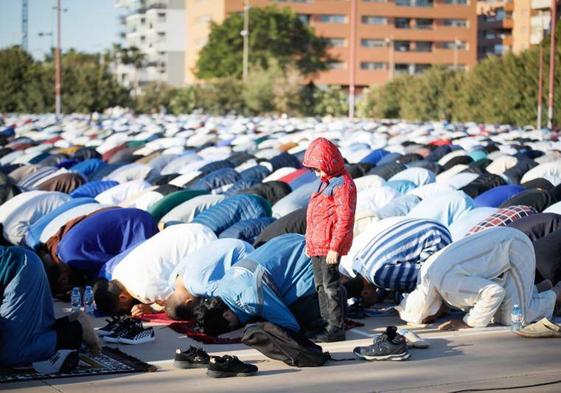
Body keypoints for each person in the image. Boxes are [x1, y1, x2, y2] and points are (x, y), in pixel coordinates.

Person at [396, 227, 561, 330]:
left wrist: (468, 323)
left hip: (513, 248)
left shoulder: (447, 286)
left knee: (516, 318)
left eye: (430, 318)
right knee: (501, 315)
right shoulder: (427, 274)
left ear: (429, 308)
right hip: (503, 242)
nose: (435, 318)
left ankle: (557, 293)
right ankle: (534, 291)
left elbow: (493, 292)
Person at [195, 234, 321, 336]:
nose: (235, 327)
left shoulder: (250, 299)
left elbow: (290, 326)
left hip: (312, 257)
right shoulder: (222, 286)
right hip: (293, 240)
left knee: (304, 319)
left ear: (226, 315)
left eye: (231, 327)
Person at [0, 246, 99, 367]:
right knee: (23, 334)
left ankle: (77, 330)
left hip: (20, 269)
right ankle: (68, 323)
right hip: (19, 265)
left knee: (13, 353)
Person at [94, 223, 217, 316]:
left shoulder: (144, 291)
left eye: (123, 309)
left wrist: (152, 309)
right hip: (187, 228)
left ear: (122, 297)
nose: (128, 310)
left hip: (205, 243)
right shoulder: (118, 271)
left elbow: (178, 300)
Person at [303, 137, 357, 342]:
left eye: (318, 169)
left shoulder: (343, 184)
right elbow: (315, 216)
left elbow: (345, 218)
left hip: (328, 245)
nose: (316, 174)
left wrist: (335, 247)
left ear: (328, 163)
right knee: (320, 285)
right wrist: (310, 243)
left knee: (330, 285)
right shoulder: (325, 183)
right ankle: (325, 321)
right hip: (317, 244)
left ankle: (335, 326)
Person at [339, 217, 452, 304]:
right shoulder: (358, 262)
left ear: (365, 293)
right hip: (428, 226)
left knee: (427, 291)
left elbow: (423, 277)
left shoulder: (378, 275)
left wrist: (397, 296)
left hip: (437, 238)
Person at [165, 238, 254, 320]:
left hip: (243, 253)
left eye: (196, 307)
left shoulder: (200, 286)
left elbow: (229, 294)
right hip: (225, 242)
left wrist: (238, 318)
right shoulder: (172, 280)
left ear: (189, 302)